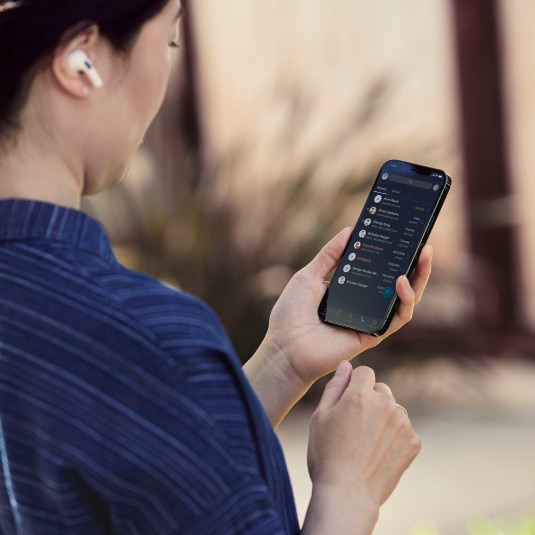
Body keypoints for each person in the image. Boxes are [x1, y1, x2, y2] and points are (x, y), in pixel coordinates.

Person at [0, 0, 433, 533]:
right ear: (78, 63)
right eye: (168, 42)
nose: (166, 71)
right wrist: (350, 493)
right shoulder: (148, 334)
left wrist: (282, 362)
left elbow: (135, 455)